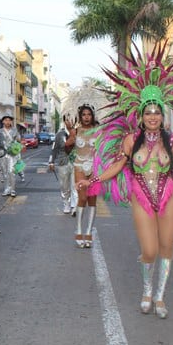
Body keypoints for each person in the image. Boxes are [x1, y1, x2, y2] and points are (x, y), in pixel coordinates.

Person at [79, 44, 173, 319]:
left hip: (169, 195)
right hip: (141, 196)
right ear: (142, 115)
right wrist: (94, 179)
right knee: (149, 250)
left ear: (161, 114)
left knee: (167, 248)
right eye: (148, 112)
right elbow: (117, 165)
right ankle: (146, 289)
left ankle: (159, 297)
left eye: (156, 112)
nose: (152, 117)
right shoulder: (130, 140)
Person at [69, 104, 99, 248]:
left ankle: (88, 232)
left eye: (89, 114)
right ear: (80, 117)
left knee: (92, 200)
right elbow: (67, 148)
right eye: (84, 114)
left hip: (94, 167)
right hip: (79, 166)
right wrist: (71, 138)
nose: (86, 117)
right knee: (82, 197)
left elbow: (104, 149)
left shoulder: (99, 131)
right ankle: (79, 230)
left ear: (92, 116)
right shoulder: (75, 130)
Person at [48, 118, 76, 214]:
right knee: (64, 186)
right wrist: (51, 161)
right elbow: (54, 148)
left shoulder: (78, 132)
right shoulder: (60, 134)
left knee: (75, 185)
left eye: (72, 119)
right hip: (62, 162)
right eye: (68, 119)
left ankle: (75, 205)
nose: (70, 121)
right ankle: (66, 204)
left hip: (76, 163)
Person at [0, 112, 21, 197]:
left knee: (11, 171)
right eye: (6, 120)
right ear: (3, 121)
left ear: (11, 122)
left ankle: (13, 189)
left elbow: (19, 140)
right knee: (5, 172)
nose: (7, 122)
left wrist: (18, 140)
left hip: (12, 154)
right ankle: (6, 189)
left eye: (9, 120)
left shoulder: (15, 130)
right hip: (3, 154)